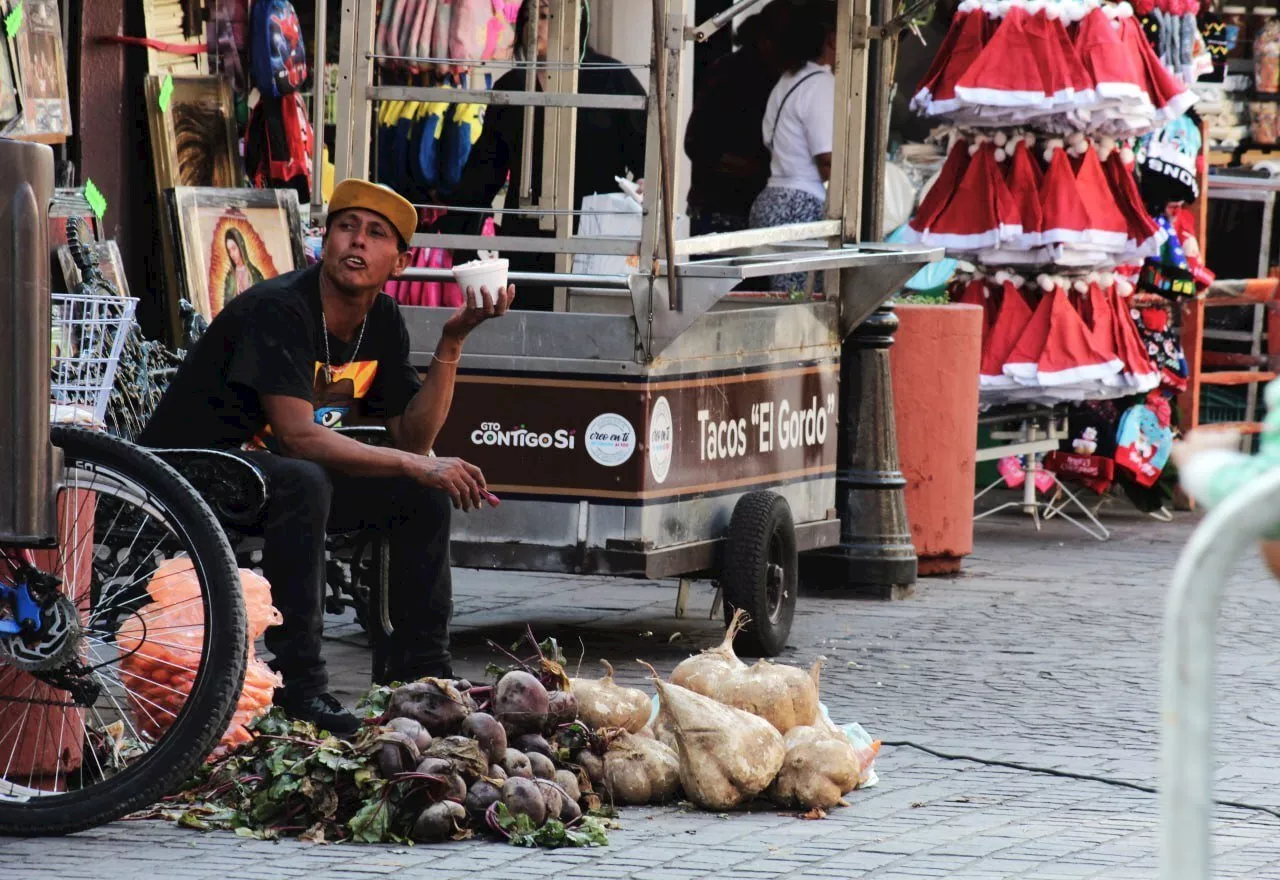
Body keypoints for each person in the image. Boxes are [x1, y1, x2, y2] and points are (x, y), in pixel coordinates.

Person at [140, 179, 515, 736]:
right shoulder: (280, 308)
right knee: (306, 479)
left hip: (267, 479)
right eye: (345, 227)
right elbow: (298, 436)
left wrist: (453, 341)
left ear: (400, 262)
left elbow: (413, 437)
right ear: (325, 242)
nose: (356, 242)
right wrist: (418, 463)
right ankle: (302, 686)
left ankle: (423, 681)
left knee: (416, 493)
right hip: (189, 471)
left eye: (375, 233)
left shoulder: (381, 320)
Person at [439, 0, 647, 310]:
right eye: (530, 15)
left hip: (596, 241)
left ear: (575, 21)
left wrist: (646, 186)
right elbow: (482, 175)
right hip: (525, 241)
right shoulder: (511, 87)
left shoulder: (613, 80)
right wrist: (461, 244)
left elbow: (647, 159)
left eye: (548, 13)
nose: (535, 24)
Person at [750, 1, 838, 294]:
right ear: (832, 39)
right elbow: (827, 160)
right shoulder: (821, 84)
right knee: (800, 307)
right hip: (800, 208)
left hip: (771, 201)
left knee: (780, 302)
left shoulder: (786, 81)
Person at [684, 3, 787, 237]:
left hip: (738, 206)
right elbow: (697, 144)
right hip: (722, 207)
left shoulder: (777, 77)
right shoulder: (729, 75)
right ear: (766, 40)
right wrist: (760, 170)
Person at [222, 227, 266, 310]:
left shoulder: (255, 274)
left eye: (234, 248)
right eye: (229, 251)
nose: (232, 254)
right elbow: (227, 308)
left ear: (240, 246)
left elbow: (264, 300)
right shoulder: (230, 277)